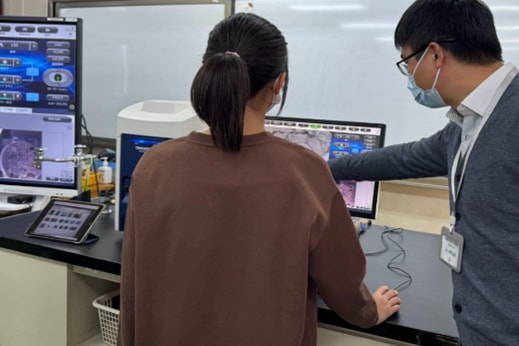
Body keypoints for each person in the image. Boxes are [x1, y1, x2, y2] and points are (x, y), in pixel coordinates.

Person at [118, 12, 400, 346]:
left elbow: (134, 285)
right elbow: (342, 282)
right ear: (278, 83)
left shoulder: (154, 166)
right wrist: (369, 312)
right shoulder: (304, 173)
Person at [328, 0, 519, 345]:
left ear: (434, 55)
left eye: (408, 63)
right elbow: (402, 159)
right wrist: (320, 168)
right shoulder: (467, 124)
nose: (410, 79)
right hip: (479, 326)